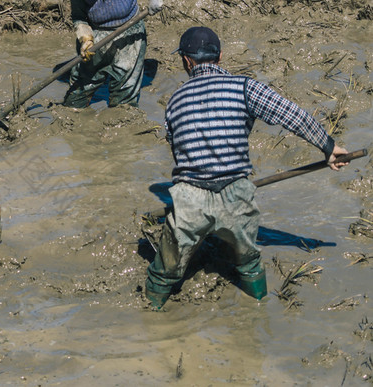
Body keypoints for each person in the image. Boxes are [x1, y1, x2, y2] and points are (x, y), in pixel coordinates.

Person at [144, 26, 349, 310]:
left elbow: (176, 148)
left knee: (165, 269)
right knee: (249, 261)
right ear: (220, 57)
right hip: (237, 196)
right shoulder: (244, 87)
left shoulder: (175, 102)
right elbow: (292, 115)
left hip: (189, 199)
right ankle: (259, 309)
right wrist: (328, 146)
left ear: (186, 62)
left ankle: (151, 309)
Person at [60, 0, 171, 108]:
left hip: (129, 32)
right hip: (97, 35)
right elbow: (79, 17)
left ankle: (121, 118)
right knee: (78, 90)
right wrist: (86, 39)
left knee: (124, 93)